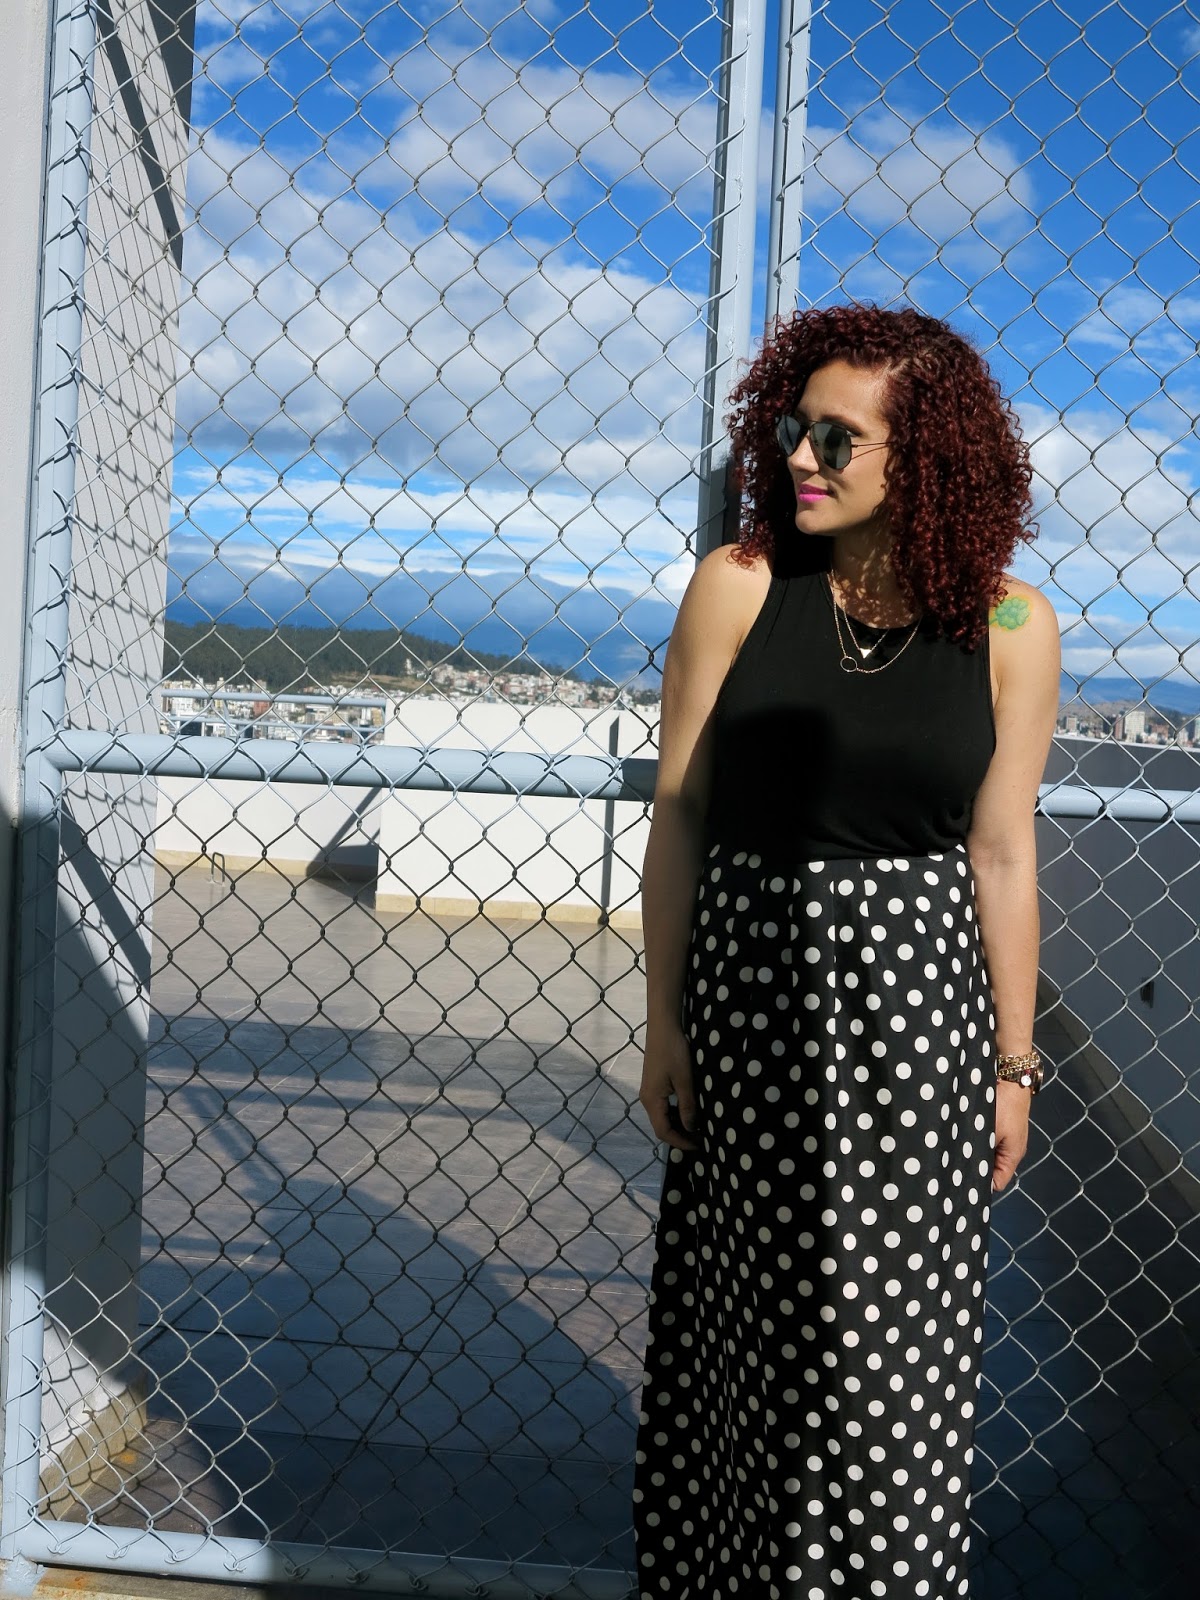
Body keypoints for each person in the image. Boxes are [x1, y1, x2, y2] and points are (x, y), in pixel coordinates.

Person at [632, 303, 1060, 1600]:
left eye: (838, 438)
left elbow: (1002, 853)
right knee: (751, 1342)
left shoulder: (1010, 628)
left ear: (927, 458)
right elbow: (681, 811)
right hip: (751, 1005)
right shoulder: (741, 584)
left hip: (919, 1024)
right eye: (792, 429)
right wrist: (663, 1022)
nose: (802, 459)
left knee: (888, 1363)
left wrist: (1014, 1063)